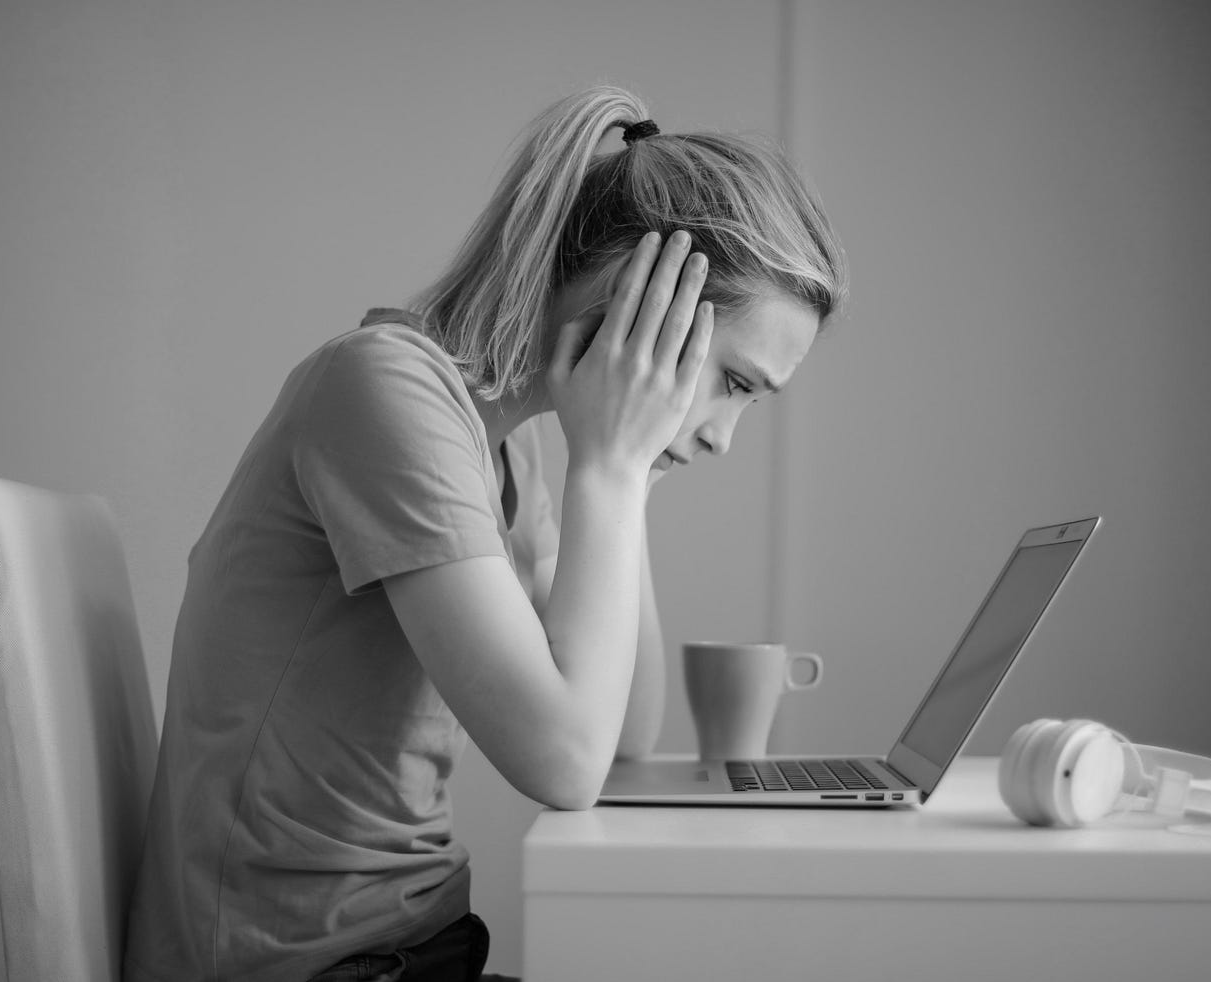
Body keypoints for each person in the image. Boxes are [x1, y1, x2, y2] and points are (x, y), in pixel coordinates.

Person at [123, 84, 846, 982]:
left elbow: (623, 728)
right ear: (637, 302)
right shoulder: (385, 394)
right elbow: (566, 763)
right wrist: (612, 468)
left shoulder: (505, 454)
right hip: (296, 967)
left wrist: (630, 471)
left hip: (402, 951)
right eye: (735, 385)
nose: (724, 435)